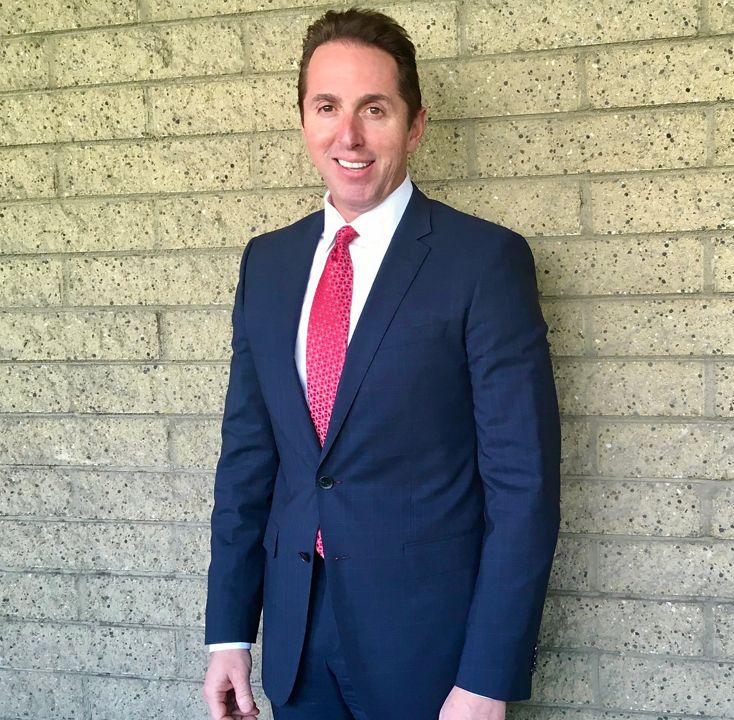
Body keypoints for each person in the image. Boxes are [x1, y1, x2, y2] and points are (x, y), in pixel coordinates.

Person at [201, 9, 561, 720]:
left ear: (415, 124)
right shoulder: (266, 264)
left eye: (375, 109)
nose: (349, 135)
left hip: (432, 654)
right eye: (327, 107)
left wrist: (487, 677)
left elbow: (523, 484)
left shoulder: (483, 262)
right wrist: (229, 635)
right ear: (303, 118)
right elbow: (247, 462)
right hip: (297, 647)